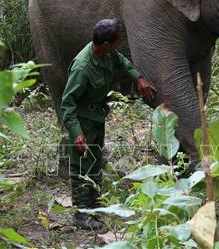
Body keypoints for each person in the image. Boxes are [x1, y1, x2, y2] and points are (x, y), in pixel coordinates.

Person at [61, 18, 156, 230]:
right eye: (117, 41)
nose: (119, 44)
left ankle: (94, 206)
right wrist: (77, 133)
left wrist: (137, 77)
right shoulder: (82, 67)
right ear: (106, 44)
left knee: (94, 164)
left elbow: (122, 62)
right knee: (80, 167)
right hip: (83, 121)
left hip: (96, 118)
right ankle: (81, 214)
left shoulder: (107, 54)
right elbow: (68, 104)